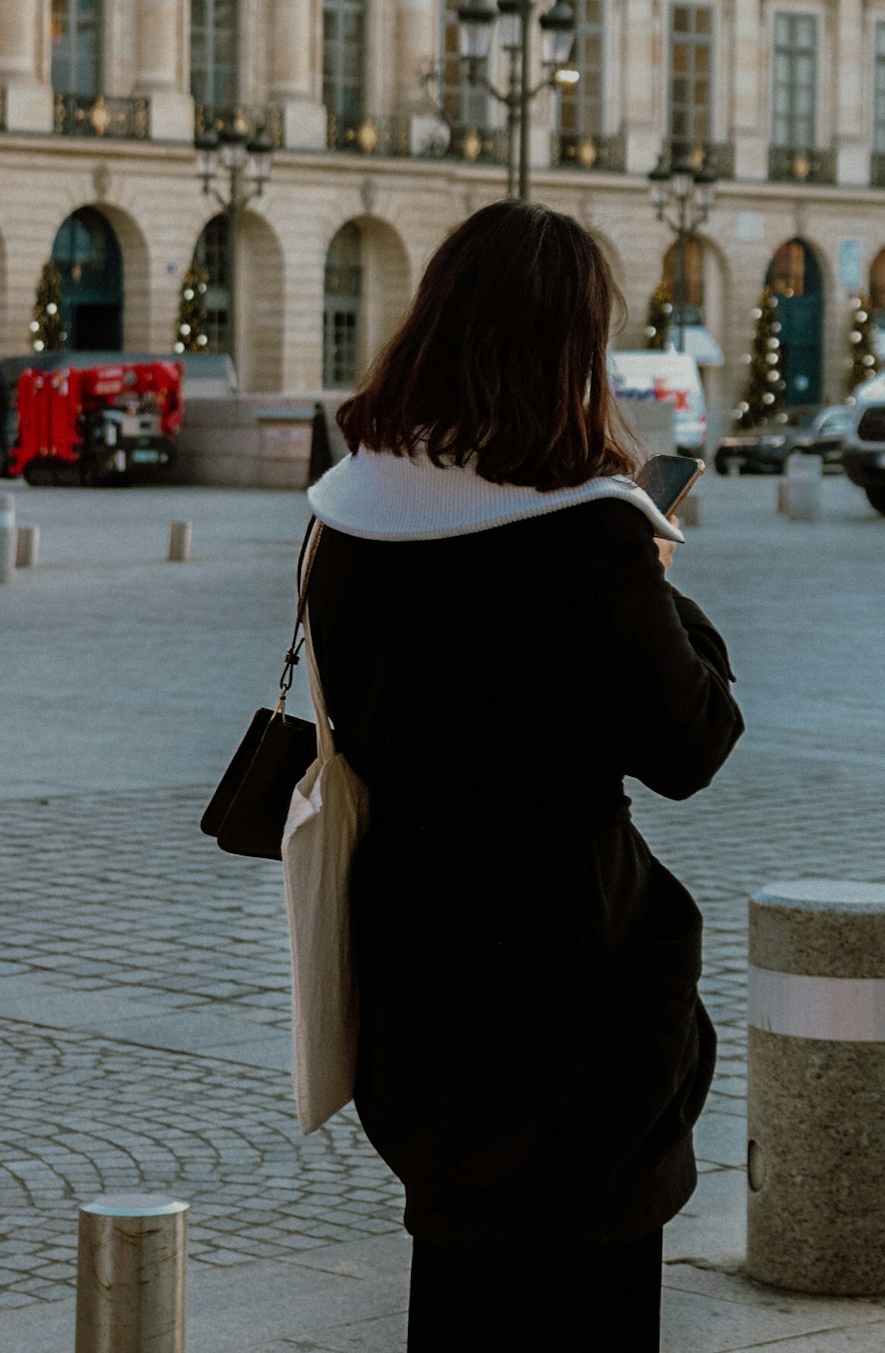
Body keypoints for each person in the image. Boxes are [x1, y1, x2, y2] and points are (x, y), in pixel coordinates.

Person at [304, 201, 743, 1351]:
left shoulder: (351, 520)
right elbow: (692, 740)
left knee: (457, 1274)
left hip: (415, 957)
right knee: (585, 1298)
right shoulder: (587, 538)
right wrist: (654, 573)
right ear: (566, 352)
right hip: (572, 982)